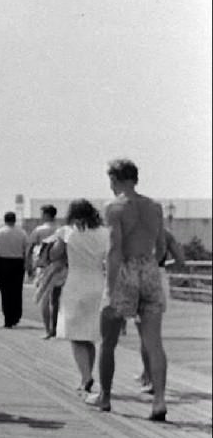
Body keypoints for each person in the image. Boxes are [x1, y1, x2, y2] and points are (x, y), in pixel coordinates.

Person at [87, 159, 168, 420]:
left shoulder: (115, 207)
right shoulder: (155, 207)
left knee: (108, 340)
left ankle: (105, 396)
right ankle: (159, 400)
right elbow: (162, 246)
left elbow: (114, 249)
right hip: (150, 269)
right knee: (154, 342)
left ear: (116, 179)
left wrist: (111, 290)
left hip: (125, 271)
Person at [47, 199, 108, 395]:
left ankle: (85, 377)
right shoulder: (104, 232)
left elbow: (55, 254)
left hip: (76, 281)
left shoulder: (67, 231)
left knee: (75, 334)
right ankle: (88, 373)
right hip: (98, 282)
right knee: (89, 333)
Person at [138, 228, 186, 394]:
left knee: (143, 334)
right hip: (160, 277)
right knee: (153, 334)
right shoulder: (165, 234)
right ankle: (150, 375)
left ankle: (149, 377)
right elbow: (181, 261)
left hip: (141, 276)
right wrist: (163, 266)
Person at [0, 211, 30, 328]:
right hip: (18, 262)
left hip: (3, 263)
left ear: (4, 220)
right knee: (17, 291)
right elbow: (27, 248)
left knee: (5, 292)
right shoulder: (22, 232)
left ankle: (8, 318)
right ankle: (16, 315)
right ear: (15, 220)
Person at [27, 204, 60, 337]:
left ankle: (48, 329)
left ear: (45, 214)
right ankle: (56, 328)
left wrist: (28, 265)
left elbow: (30, 248)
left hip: (44, 268)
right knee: (56, 300)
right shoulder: (60, 229)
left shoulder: (39, 230)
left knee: (45, 299)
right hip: (60, 267)